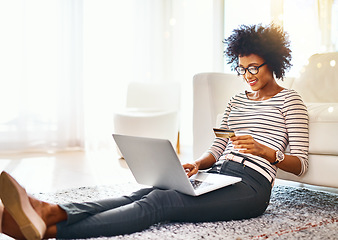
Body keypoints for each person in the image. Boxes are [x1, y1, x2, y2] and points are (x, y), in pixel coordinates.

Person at [0, 24, 309, 240]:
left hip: (251, 187)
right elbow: (218, 146)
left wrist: (267, 152)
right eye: (242, 69)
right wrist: (199, 164)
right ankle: (50, 211)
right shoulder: (235, 101)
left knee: (161, 204)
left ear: (274, 62)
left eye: (254, 68)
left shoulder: (290, 100)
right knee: (144, 192)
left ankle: (50, 231)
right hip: (218, 174)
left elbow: (301, 164)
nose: (248, 76)